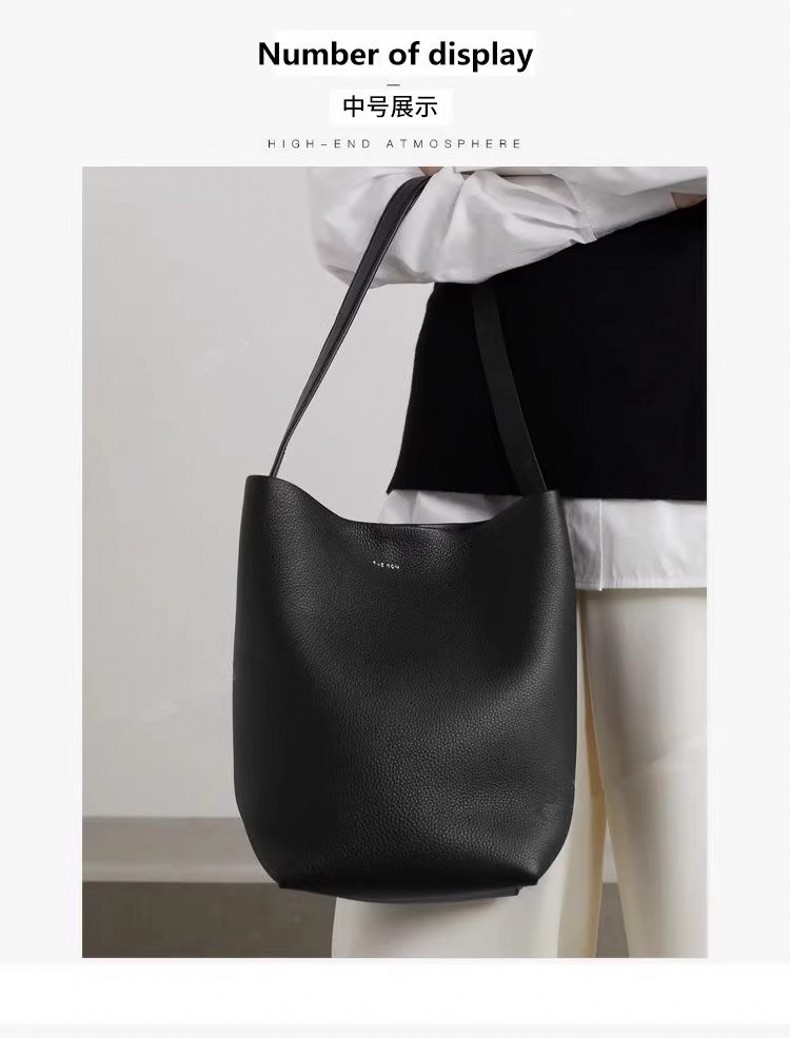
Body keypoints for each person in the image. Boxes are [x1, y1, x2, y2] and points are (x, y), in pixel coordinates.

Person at [307, 166, 707, 958]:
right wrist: (640, 188)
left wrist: (495, 164)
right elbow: (359, 221)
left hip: (705, 527)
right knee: (444, 951)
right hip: (469, 504)